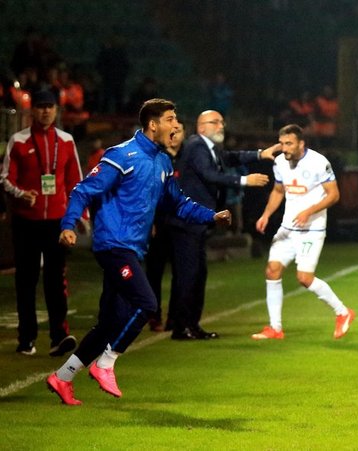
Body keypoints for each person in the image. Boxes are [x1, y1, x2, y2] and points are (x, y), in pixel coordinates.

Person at [46, 99, 231, 405]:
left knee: (111, 321)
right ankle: (105, 363)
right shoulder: (122, 155)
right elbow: (83, 189)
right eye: (170, 119)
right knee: (146, 303)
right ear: (153, 125)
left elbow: (178, 204)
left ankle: (62, 377)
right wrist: (68, 224)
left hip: (132, 249)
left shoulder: (162, 162)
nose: (175, 125)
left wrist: (211, 216)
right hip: (113, 245)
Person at [168, 110, 280, 340]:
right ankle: (181, 327)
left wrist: (259, 154)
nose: (221, 126)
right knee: (188, 274)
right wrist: (244, 180)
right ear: (201, 127)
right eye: (215, 122)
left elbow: (231, 158)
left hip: (197, 221)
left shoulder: (209, 148)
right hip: (187, 221)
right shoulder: (196, 146)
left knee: (197, 274)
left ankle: (191, 325)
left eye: (222, 122)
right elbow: (209, 175)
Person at [251, 124, 355, 341]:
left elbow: (334, 195)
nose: (284, 148)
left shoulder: (318, 162)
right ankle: (275, 328)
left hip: (311, 230)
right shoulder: (280, 162)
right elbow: (278, 190)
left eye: (289, 143)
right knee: (272, 270)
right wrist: (266, 214)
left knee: (304, 278)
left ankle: (343, 312)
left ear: (301, 144)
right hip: (288, 228)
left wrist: (309, 211)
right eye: (282, 143)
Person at [1, 89, 84, 357]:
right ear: (32, 110)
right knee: (26, 280)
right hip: (26, 221)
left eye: (50, 106)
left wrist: (79, 216)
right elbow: (5, 178)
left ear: (57, 110)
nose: (46, 111)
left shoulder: (67, 141)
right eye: (41, 106)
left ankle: (59, 336)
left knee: (56, 280)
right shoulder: (18, 140)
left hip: (56, 222)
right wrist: (20, 194)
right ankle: (26, 338)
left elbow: (75, 182)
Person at [145, 121, 185, 332]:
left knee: (181, 272)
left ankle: (174, 317)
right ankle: (154, 315)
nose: (175, 134)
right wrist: (150, 221)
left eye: (179, 131)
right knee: (155, 271)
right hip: (160, 222)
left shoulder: (189, 158)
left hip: (182, 223)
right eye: (172, 130)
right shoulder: (156, 157)